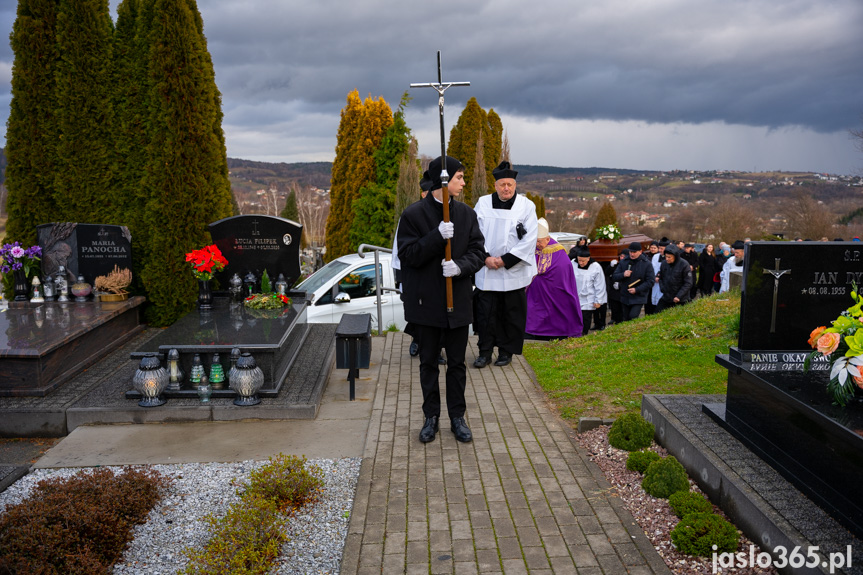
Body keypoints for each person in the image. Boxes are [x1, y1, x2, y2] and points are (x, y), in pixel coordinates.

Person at [397, 155, 486, 443]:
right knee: (428, 364)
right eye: (459, 177)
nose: (464, 182)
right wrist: (436, 237)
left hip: (457, 302)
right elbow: (408, 255)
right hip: (427, 304)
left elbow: (478, 253)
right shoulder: (413, 215)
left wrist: (460, 266)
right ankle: (431, 416)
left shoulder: (467, 215)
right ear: (443, 182)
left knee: (458, 364)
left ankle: (457, 417)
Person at [472, 161, 538, 368]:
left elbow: (530, 239)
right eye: (502, 185)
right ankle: (484, 351)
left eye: (510, 184)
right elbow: (474, 233)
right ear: (496, 185)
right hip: (487, 269)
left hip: (513, 271)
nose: (506, 188)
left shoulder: (526, 206)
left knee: (510, 315)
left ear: (515, 184)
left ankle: (506, 352)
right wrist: (485, 257)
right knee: (486, 315)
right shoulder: (482, 203)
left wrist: (505, 260)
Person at [525, 218, 583, 339]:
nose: (537, 244)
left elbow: (563, 270)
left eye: (540, 241)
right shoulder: (532, 248)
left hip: (554, 291)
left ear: (547, 239)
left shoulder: (558, 251)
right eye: (535, 241)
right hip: (534, 293)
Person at [611, 241, 654, 321]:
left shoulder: (647, 264)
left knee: (633, 316)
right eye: (631, 252)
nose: (632, 254)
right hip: (625, 295)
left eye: (634, 252)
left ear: (640, 252)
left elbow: (650, 281)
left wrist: (637, 289)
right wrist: (623, 274)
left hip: (639, 296)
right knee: (626, 318)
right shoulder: (624, 262)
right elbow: (615, 276)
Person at [573, 248, 607, 334]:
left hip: (589, 298)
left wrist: (598, 300)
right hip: (575, 296)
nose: (581, 263)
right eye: (579, 260)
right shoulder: (572, 263)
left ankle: (584, 334)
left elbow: (600, 284)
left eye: (583, 261)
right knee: (575, 318)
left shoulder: (596, 267)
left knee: (586, 319)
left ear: (588, 258)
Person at [656, 244, 693, 312]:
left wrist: (679, 296)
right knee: (657, 312)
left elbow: (688, 283)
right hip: (666, 297)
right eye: (666, 257)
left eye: (669, 257)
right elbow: (661, 278)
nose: (667, 259)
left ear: (675, 256)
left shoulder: (684, 264)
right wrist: (663, 288)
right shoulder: (664, 264)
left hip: (681, 299)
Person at [605, 249, 627, 324]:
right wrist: (610, 266)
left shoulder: (628, 264)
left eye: (624, 257)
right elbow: (607, 273)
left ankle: (620, 320)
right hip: (613, 288)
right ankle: (614, 318)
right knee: (614, 305)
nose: (621, 258)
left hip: (622, 289)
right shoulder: (616, 264)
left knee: (621, 306)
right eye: (621, 256)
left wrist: (620, 285)